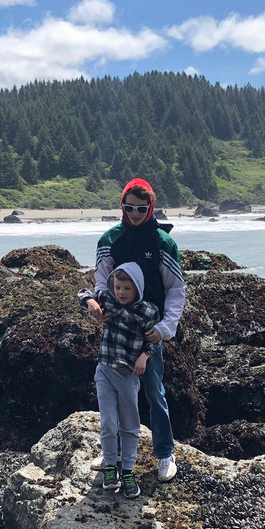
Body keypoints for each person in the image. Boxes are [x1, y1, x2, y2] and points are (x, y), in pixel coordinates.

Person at [85, 178, 186, 483]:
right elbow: (102, 280)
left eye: (141, 208)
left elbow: (176, 289)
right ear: (122, 206)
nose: (135, 213)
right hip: (116, 329)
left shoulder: (163, 243)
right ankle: (111, 453)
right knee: (112, 395)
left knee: (154, 392)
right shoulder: (110, 239)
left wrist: (166, 327)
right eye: (129, 207)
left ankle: (164, 453)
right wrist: (97, 305)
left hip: (148, 329)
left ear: (151, 207)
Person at [78, 263, 160, 499]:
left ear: (137, 289)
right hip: (104, 371)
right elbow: (83, 292)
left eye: (127, 288)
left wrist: (144, 357)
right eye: (118, 287)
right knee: (108, 424)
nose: (121, 292)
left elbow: (154, 340)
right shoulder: (108, 299)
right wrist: (91, 303)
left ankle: (128, 470)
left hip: (128, 376)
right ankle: (110, 467)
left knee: (130, 425)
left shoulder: (147, 311)